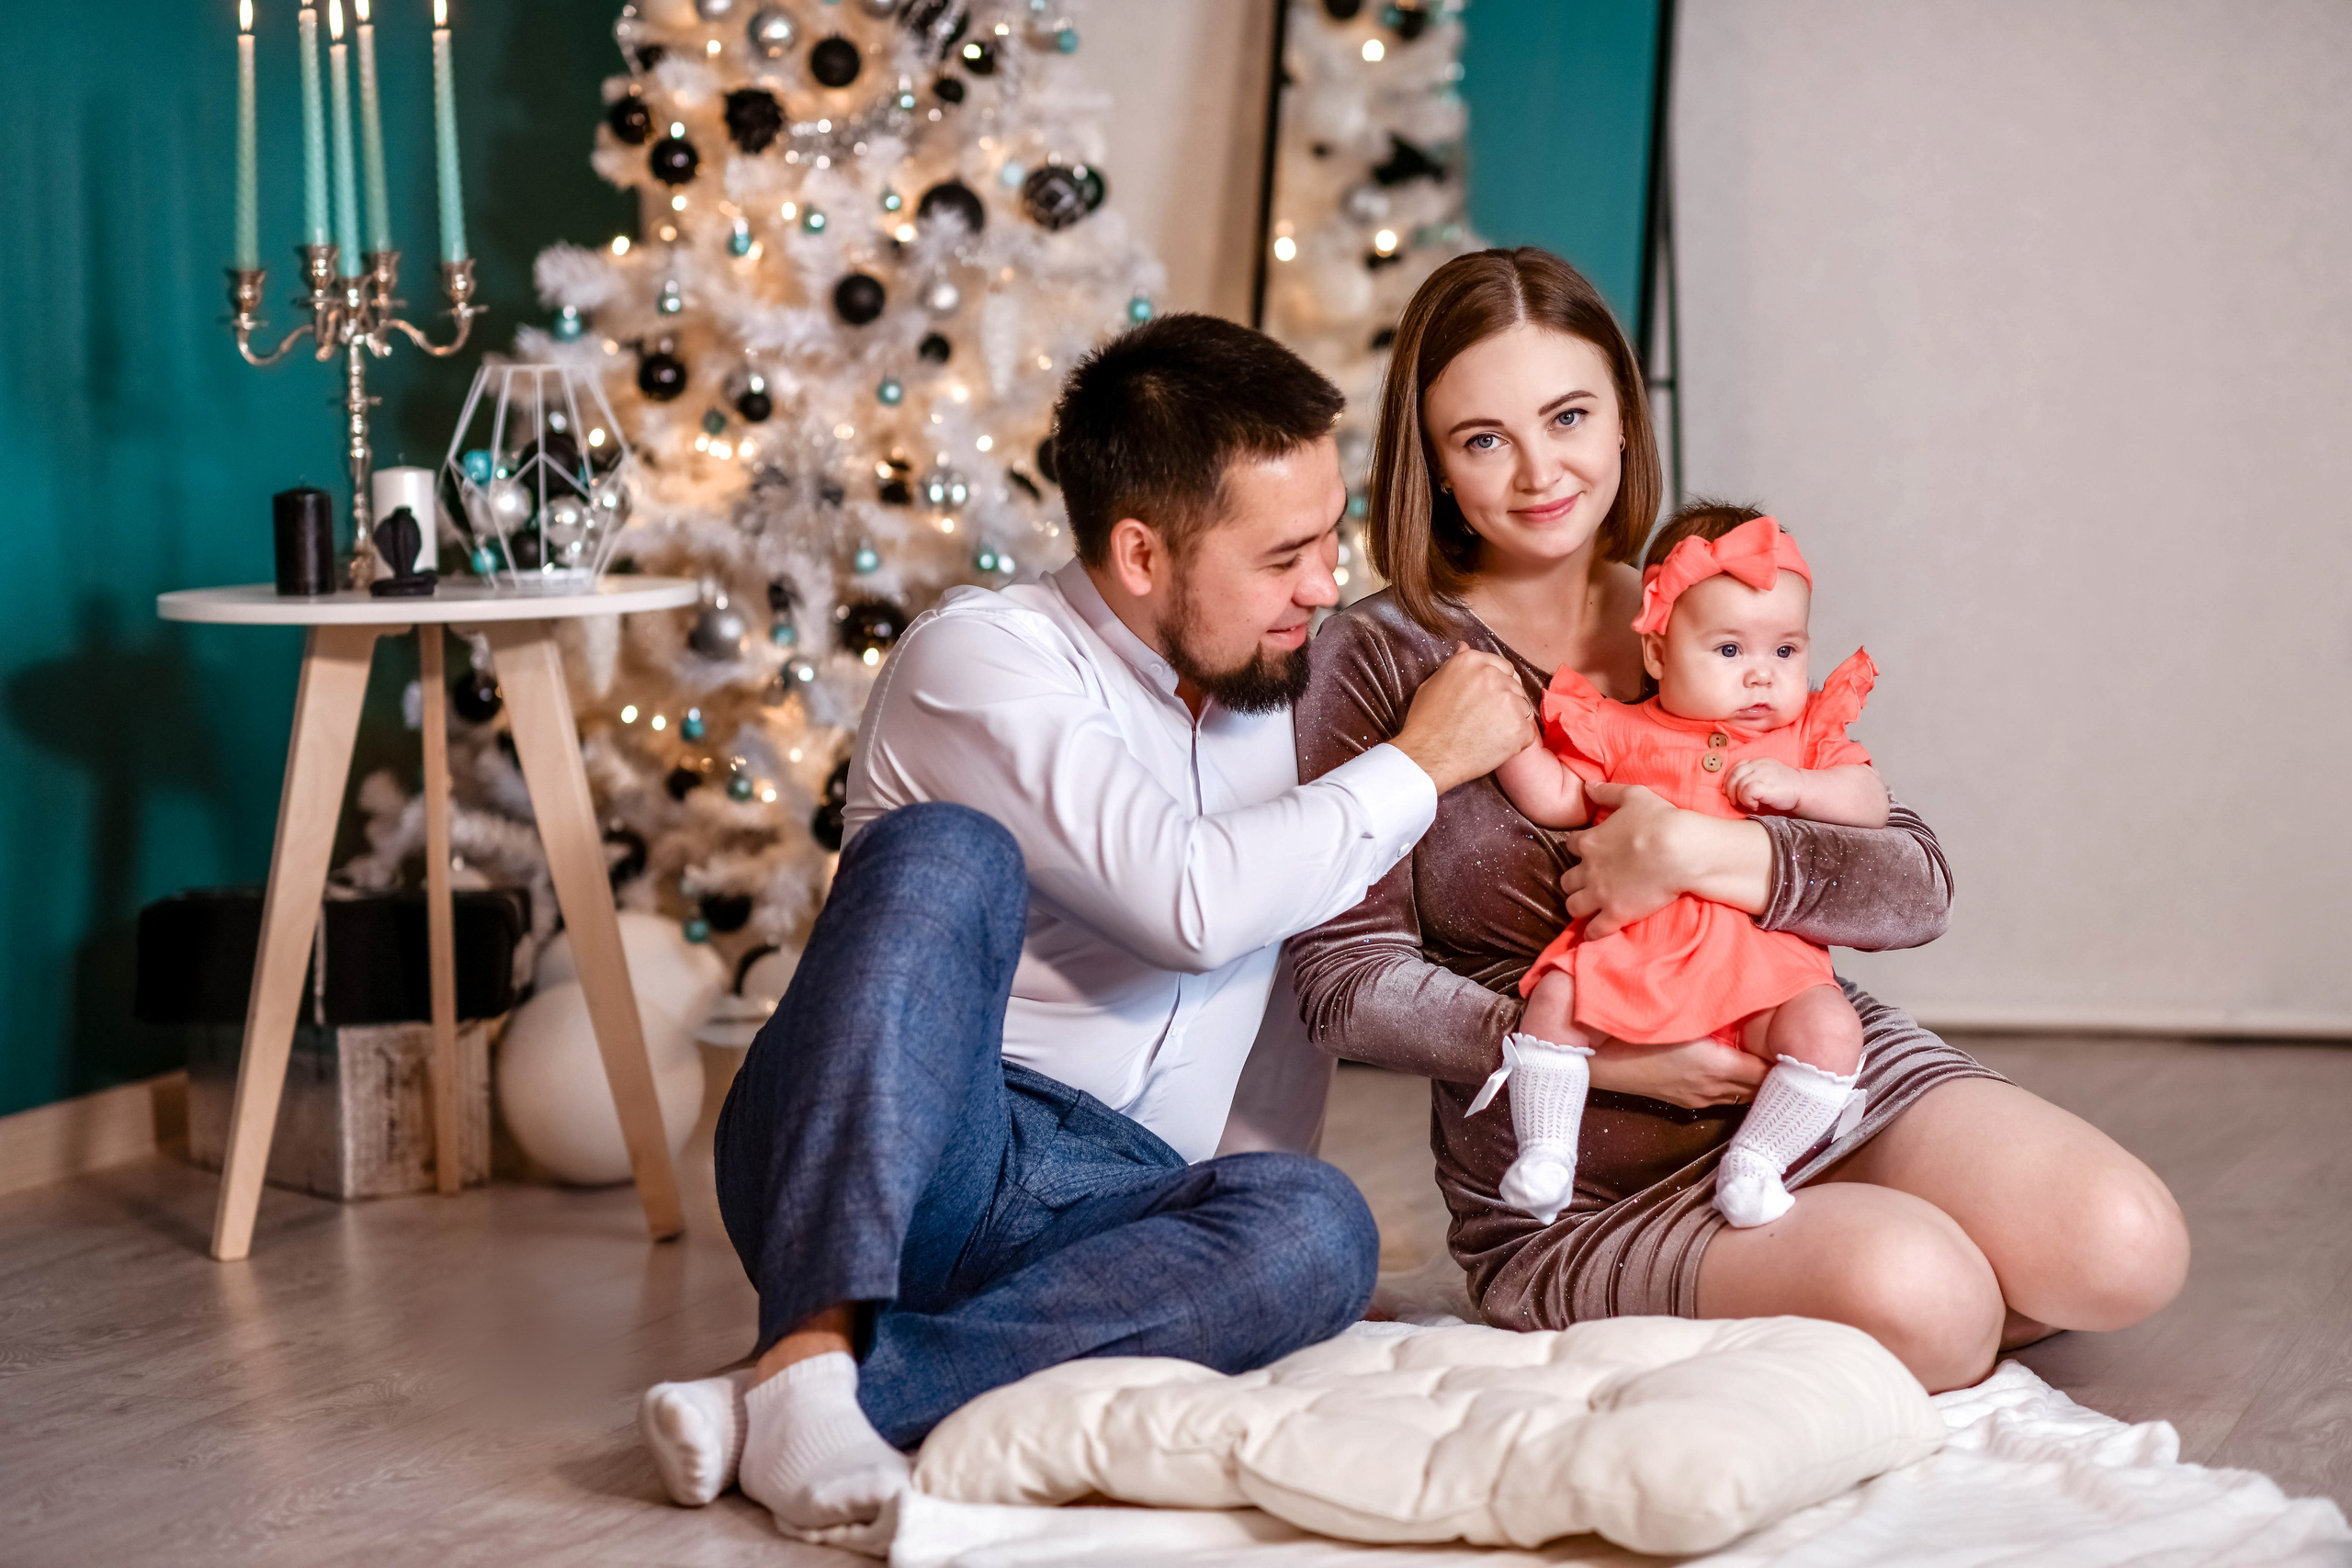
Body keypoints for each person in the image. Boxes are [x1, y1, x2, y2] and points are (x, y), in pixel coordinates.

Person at [637, 312, 1535, 1538]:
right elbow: (1192, 904)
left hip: (1109, 1200)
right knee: (943, 853)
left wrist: (1247, 1256)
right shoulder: (983, 659)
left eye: (1333, 535)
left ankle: (811, 1398)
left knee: (1320, 1227)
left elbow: (1284, 1000)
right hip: (910, 1146)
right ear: (1141, 553)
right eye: (1285, 555)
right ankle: (806, 1343)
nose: (1325, 584)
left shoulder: (1286, 687)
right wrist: (1418, 764)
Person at [1288, 247, 2188, 1394]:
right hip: (1580, 1171)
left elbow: (1913, 884)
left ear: (1624, 418)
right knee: (1936, 1306)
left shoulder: (1706, 600)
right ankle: (1853, 1265)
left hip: (1806, 1059)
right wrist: (1613, 1056)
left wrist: (1706, 850)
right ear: (1432, 462)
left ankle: (1853, 1241)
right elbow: (1340, 979)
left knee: (2125, 1248)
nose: (1539, 472)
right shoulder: (1378, 655)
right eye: (1482, 439)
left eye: (1568, 417)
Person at [1484, 507, 1884, 1232]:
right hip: (1639, 952)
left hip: (1763, 968)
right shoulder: (1623, 730)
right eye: (1729, 649)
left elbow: (1870, 802)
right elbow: (1561, 796)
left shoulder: (1804, 735)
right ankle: (1546, 1151)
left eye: (1786, 650)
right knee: (1556, 1000)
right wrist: (1508, 740)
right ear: (1659, 654)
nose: (1762, 673)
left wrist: (1803, 788)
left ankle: (1757, 1163)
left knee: (1830, 1029)